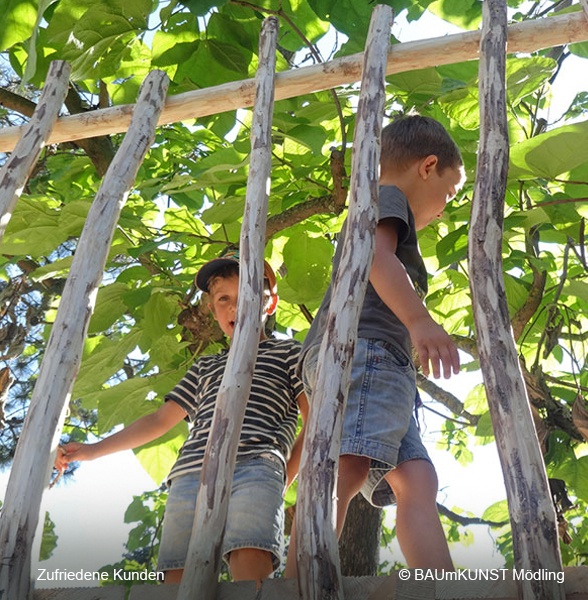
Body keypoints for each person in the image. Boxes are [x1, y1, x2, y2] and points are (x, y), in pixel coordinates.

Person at [55, 251, 309, 585]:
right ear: (211, 307)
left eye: (247, 296)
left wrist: (284, 474)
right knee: (180, 575)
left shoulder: (289, 353)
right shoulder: (206, 366)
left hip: (256, 467)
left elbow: (315, 420)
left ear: (270, 304)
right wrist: (92, 450)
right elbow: (159, 420)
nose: (235, 307)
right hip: (192, 473)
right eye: (223, 299)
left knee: (250, 561)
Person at [286, 115, 466, 577]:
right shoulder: (387, 198)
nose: (445, 208)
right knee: (345, 463)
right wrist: (419, 319)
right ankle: (302, 575)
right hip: (361, 349)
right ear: (428, 166)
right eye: (449, 193)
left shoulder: (389, 206)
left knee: (417, 479)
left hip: (383, 365)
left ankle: (439, 585)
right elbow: (372, 255)